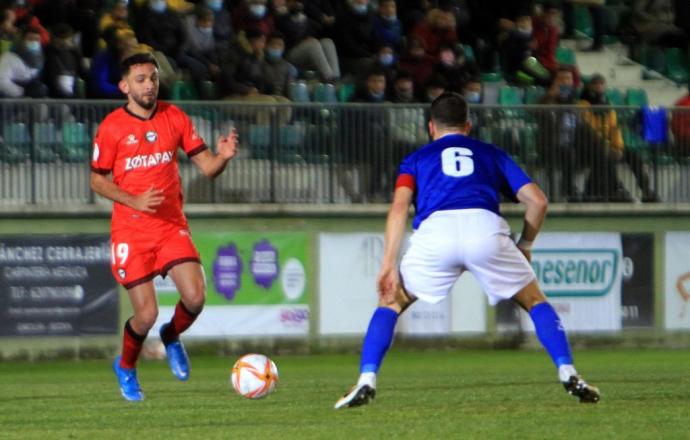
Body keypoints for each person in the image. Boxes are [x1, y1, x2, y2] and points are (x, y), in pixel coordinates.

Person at [334, 92, 600, 409]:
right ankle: (568, 372)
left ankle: (366, 380)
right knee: (534, 301)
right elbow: (538, 201)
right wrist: (525, 244)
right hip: (484, 228)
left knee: (390, 302)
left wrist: (388, 263)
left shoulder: (415, 160)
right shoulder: (491, 153)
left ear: (431, 127)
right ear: (468, 126)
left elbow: (398, 208)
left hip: (436, 233)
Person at [90, 52, 238, 402]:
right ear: (125, 86)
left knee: (196, 297)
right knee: (146, 313)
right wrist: (133, 200)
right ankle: (126, 367)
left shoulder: (174, 116)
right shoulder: (112, 127)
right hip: (131, 230)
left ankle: (171, 336)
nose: (149, 84)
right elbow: (97, 181)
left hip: (171, 226)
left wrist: (223, 158)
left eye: (153, 77)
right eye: (141, 79)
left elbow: (207, 167)